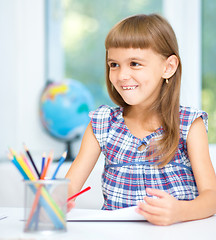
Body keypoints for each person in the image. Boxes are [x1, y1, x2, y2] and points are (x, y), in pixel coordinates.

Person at [65, 13, 216, 226]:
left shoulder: (190, 124)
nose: (122, 75)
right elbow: (70, 186)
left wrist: (180, 211)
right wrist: (57, 196)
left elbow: (211, 197)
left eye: (134, 63)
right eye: (114, 64)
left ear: (169, 67)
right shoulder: (102, 123)